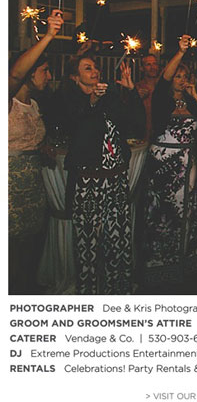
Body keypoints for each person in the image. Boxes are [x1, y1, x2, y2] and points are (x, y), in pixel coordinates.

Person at [54, 54, 145, 294]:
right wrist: (92, 101)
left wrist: (131, 91)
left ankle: (118, 292)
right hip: (88, 183)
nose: (95, 71)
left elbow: (137, 125)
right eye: (87, 68)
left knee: (118, 241)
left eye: (95, 67)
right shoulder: (69, 99)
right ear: (75, 77)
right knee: (87, 245)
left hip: (116, 180)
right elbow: (74, 126)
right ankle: (89, 296)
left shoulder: (110, 97)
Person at [142, 35, 197, 290]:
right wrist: (181, 52)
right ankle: (158, 266)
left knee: (184, 213)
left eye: (185, 76)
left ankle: (181, 264)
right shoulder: (161, 99)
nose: (181, 79)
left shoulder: (192, 103)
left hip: (186, 166)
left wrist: (195, 94)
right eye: (178, 76)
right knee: (162, 215)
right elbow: (164, 78)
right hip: (163, 166)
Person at [8, 9, 63, 293]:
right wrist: (49, 36)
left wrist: (44, 148)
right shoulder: (7, 101)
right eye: (44, 71)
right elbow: (15, 73)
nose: (49, 76)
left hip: (33, 186)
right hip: (9, 188)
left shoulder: (36, 104)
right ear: (30, 74)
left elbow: (31, 140)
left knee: (30, 248)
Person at [135, 53, 160, 141]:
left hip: (162, 136)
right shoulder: (137, 88)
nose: (152, 67)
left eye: (154, 64)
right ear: (142, 68)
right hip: (143, 137)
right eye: (148, 64)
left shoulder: (165, 88)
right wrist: (136, 99)